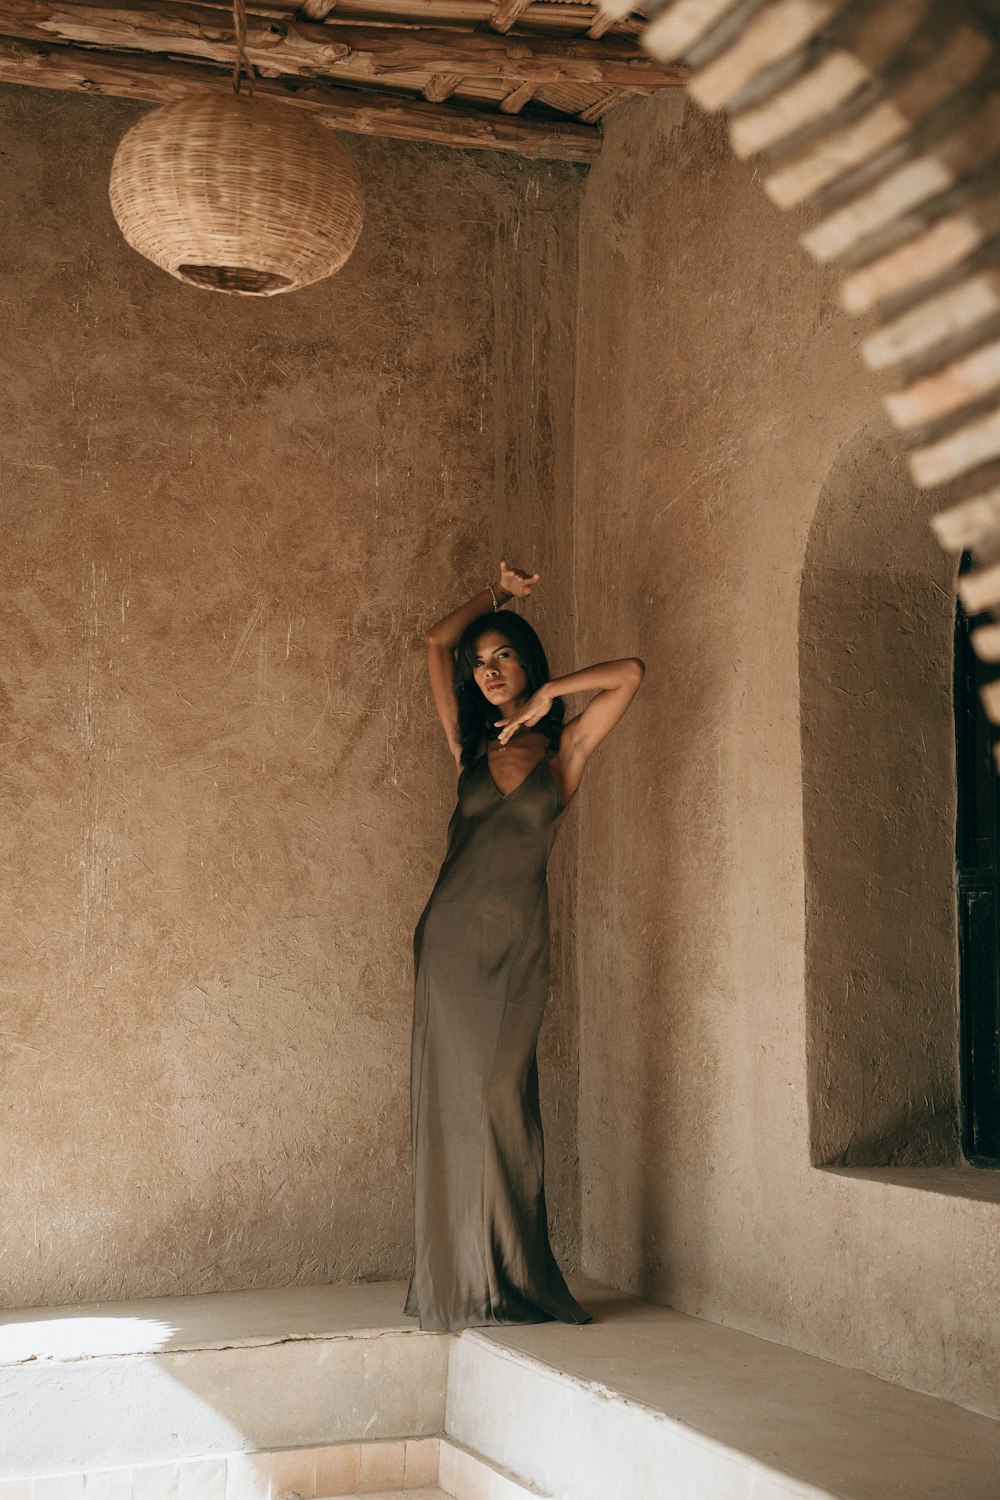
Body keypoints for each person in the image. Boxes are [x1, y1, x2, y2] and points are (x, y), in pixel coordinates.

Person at [404, 561, 644, 1332]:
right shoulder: (465, 750)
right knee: (457, 1100)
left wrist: (549, 695)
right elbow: (436, 641)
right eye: (480, 665)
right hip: (449, 938)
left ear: (527, 663)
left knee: (502, 1098)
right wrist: (495, 597)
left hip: (519, 946)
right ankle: (466, 1275)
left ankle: (513, 1273)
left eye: (502, 654)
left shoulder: (563, 752)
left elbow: (631, 675)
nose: (486, 671)